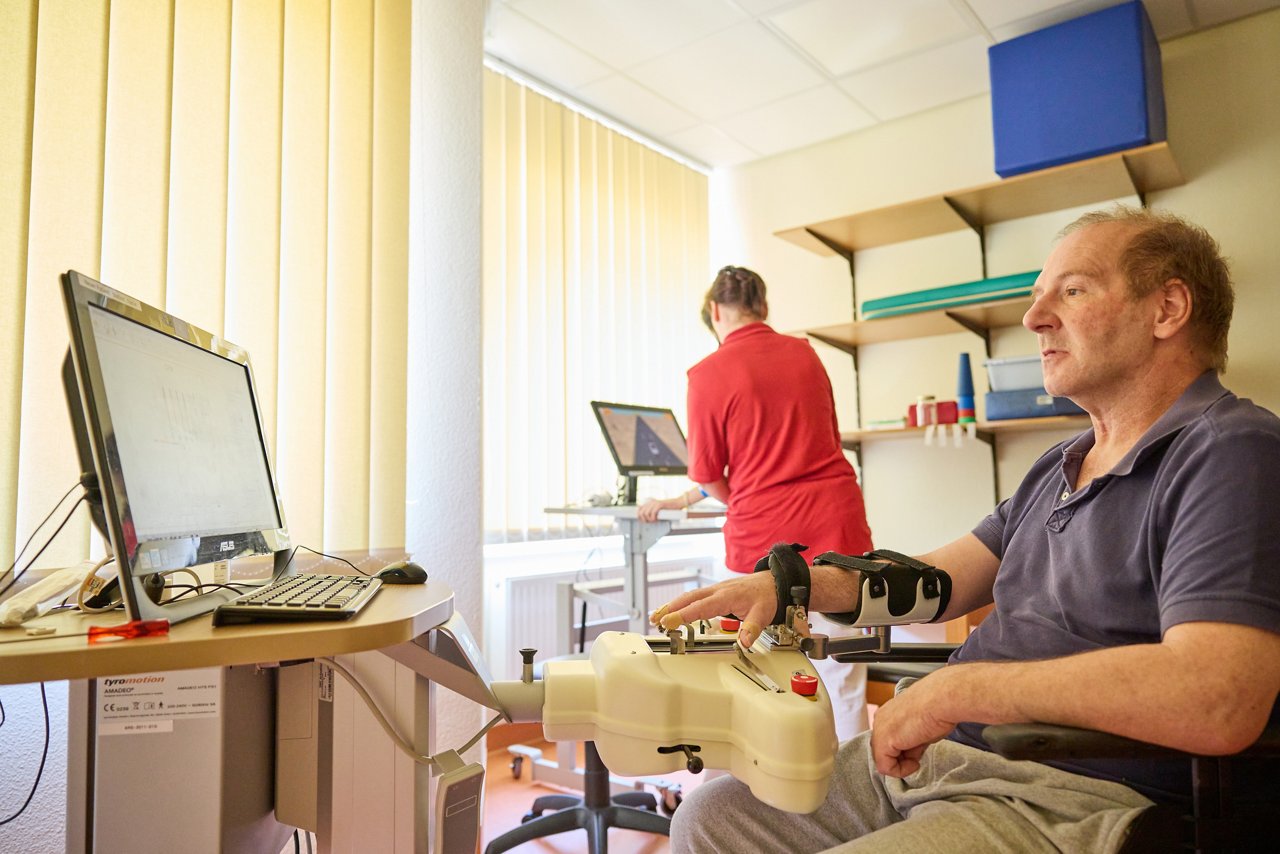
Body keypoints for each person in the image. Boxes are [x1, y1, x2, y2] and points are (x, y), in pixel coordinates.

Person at [652, 208, 1280, 853]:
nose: (1034, 318)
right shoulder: (1059, 465)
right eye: (1037, 298)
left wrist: (960, 690)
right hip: (950, 754)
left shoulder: (1230, 451)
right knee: (710, 817)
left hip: (1073, 794)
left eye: (1072, 290)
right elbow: (940, 583)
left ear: (1167, 308)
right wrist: (793, 586)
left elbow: (1218, 695)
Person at [639, 265, 875, 738]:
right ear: (763, 307)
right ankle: (858, 796)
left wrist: (742, 495)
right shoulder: (805, 355)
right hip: (837, 525)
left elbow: (709, 471)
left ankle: (763, 792)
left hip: (765, 539)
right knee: (841, 674)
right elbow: (821, 440)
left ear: (714, 311)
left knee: (756, 670)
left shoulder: (707, 374)